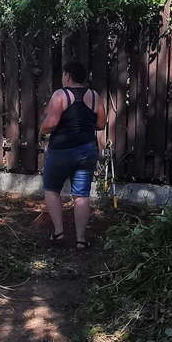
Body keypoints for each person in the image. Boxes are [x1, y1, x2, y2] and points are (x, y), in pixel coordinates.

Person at [38, 61, 108, 249]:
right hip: (87, 150)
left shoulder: (61, 95)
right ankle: (81, 240)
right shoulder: (94, 97)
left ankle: (59, 233)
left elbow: (51, 123)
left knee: (52, 188)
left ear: (67, 76)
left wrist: (41, 131)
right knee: (81, 195)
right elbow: (101, 124)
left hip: (61, 150)